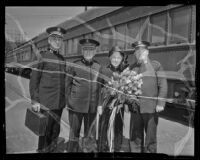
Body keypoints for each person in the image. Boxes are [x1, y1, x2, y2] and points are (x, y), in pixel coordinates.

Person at [29, 26, 66, 153]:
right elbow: (34, 80)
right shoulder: (41, 56)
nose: (57, 41)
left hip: (59, 104)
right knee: (44, 133)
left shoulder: (62, 59)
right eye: (55, 38)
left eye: (60, 39)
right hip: (45, 104)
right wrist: (34, 101)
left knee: (55, 132)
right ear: (49, 40)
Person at [129, 41, 168, 153]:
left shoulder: (156, 65)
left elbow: (163, 85)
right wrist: (128, 102)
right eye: (137, 51)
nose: (140, 53)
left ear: (147, 52)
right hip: (135, 107)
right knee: (135, 136)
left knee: (150, 137)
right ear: (135, 53)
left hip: (151, 108)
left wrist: (160, 103)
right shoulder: (132, 67)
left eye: (142, 51)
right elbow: (127, 88)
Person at [65, 38, 102, 152]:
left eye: (91, 50)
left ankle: (87, 150)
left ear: (95, 51)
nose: (88, 52)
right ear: (82, 51)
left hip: (91, 107)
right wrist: (69, 102)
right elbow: (67, 84)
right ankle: (72, 151)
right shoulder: (74, 65)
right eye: (86, 50)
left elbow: (100, 87)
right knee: (74, 133)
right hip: (75, 106)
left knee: (90, 134)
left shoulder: (98, 66)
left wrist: (99, 104)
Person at [97, 46, 129, 152]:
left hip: (119, 106)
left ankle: (116, 148)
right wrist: (99, 105)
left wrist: (124, 101)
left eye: (118, 58)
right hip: (106, 105)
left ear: (121, 59)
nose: (116, 60)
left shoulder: (124, 72)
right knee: (103, 126)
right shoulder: (104, 70)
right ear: (110, 58)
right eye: (113, 57)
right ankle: (102, 148)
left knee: (118, 127)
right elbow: (98, 88)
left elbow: (127, 90)